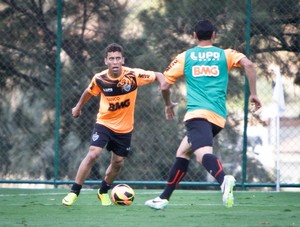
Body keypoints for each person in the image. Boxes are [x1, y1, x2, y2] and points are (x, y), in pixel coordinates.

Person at [145, 19, 262, 209]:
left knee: (202, 155)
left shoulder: (185, 57)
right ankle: (163, 198)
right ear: (214, 35)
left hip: (197, 115)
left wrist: (168, 104)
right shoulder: (226, 54)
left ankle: (224, 180)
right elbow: (249, 65)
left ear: (194, 36)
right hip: (217, 117)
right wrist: (254, 94)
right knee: (183, 152)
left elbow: (165, 84)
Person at [62, 43, 166, 206]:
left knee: (118, 162)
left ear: (123, 60)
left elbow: (158, 74)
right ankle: (74, 192)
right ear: (106, 61)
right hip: (104, 123)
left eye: (118, 58)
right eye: (112, 59)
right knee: (93, 154)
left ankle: (103, 192)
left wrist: (163, 84)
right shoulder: (100, 78)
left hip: (125, 129)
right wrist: (77, 107)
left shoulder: (133, 76)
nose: (115, 61)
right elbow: (89, 92)